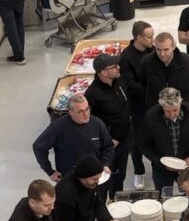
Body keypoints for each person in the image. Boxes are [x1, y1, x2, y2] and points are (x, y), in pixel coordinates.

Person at [33, 94, 114, 182]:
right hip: (70, 180)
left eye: (87, 109)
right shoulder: (58, 127)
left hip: (95, 178)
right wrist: (50, 172)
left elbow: (108, 146)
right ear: (71, 112)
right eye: (80, 111)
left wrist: (105, 164)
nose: (86, 114)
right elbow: (38, 147)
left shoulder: (97, 124)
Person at [138, 87, 189, 190]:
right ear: (161, 106)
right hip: (161, 169)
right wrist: (159, 161)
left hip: (186, 166)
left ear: (181, 102)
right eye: (167, 111)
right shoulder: (151, 116)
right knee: (162, 194)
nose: (172, 114)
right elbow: (143, 144)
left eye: (175, 110)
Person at [85, 55, 132, 198]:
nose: (119, 67)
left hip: (124, 139)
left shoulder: (119, 80)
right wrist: (107, 141)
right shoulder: (92, 94)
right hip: (108, 145)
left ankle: (117, 202)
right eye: (114, 66)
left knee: (119, 175)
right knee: (104, 180)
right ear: (104, 72)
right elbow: (89, 123)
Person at [118, 21, 155, 186]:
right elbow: (130, 85)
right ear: (139, 38)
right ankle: (139, 172)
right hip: (138, 106)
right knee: (137, 140)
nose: (152, 39)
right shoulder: (126, 57)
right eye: (149, 37)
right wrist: (152, 87)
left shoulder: (153, 50)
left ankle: (159, 167)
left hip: (154, 102)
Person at [142, 32, 189, 120]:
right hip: (158, 114)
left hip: (186, 113)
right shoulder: (147, 62)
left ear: (173, 46)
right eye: (158, 49)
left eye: (166, 49)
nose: (162, 54)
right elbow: (144, 83)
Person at [53, 155, 114, 221]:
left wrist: (108, 220)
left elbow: (97, 202)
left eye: (98, 178)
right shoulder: (65, 196)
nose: (98, 182)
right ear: (83, 176)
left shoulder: (90, 183)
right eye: (95, 179)